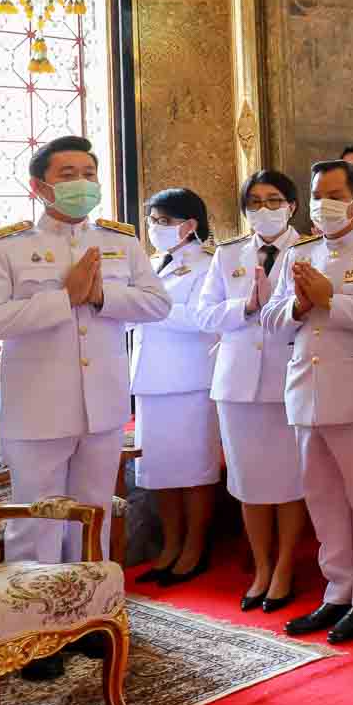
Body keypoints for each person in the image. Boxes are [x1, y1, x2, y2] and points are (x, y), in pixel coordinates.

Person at [0, 136, 170, 677]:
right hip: (38, 409)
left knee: (91, 515)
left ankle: (87, 620)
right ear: (40, 186)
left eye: (89, 172)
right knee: (38, 522)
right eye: (68, 173)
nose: (82, 182)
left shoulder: (120, 242)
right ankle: (35, 634)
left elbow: (157, 303)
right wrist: (65, 297)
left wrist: (101, 296)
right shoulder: (5, 248)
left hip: (102, 405)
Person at [265, 159, 353, 645]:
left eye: (334, 195)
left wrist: (331, 299)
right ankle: (338, 588)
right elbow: (270, 320)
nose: (323, 205)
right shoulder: (299, 252)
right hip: (306, 389)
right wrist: (298, 305)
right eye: (317, 195)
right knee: (323, 497)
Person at [195, 169, 307, 611]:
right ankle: (261, 567)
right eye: (255, 202)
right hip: (237, 382)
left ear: (292, 206)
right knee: (248, 481)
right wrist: (245, 305)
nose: (265, 209)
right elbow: (204, 315)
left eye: (274, 200)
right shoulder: (228, 254)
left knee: (289, 480)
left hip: (289, 378)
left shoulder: (310, 250)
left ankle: (285, 567)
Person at [131, 187, 224, 585]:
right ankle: (170, 546)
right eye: (153, 220)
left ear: (189, 224)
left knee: (193, 470)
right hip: (151, 378)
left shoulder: (208, 264)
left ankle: (194, 547)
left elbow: (204, 318)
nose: (156, 227)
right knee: (159, 471)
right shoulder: (152, 264)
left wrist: (151, 309)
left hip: (189, 379)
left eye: (165, 221)